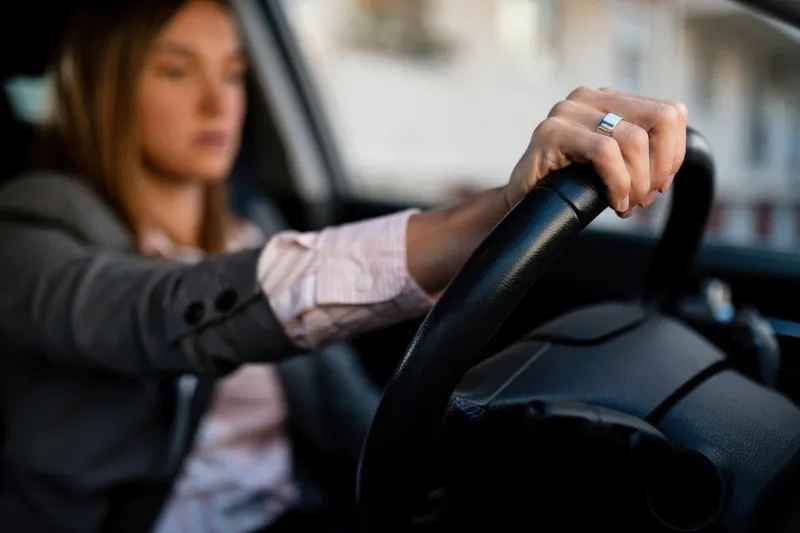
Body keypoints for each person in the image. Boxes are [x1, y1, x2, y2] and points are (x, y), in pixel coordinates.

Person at [0, 0, 687, 532]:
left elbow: (356, 418)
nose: (219, 101)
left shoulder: (254, 226)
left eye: (234, 72)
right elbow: (158, 312)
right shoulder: (28, 227)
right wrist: (490, 213)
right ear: (107, 88)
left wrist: (496, 465)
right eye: (177, 69)